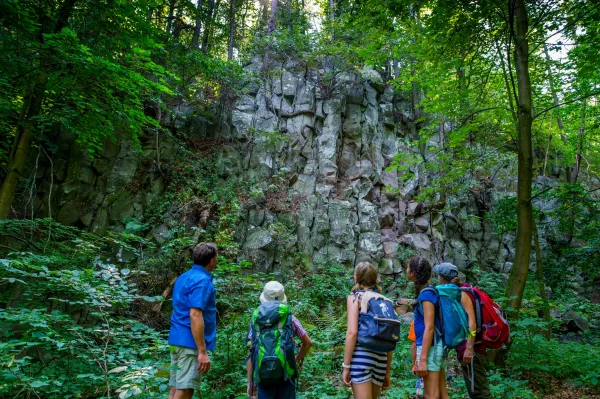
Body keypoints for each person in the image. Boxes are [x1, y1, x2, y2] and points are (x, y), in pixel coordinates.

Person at [433, 263, 491, 399]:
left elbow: (472, 324)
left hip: (472, 349)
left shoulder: (461, 294)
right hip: (468, 349)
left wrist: (469, 348)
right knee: (475, 391)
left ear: (442, 278)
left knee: (481, 392)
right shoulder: (456, 292)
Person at [167, 243, 218, 399]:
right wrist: (202, 351)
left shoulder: (182, 277)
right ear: (211, 261)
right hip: (189, 343)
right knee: (186, 388)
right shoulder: (202, 281)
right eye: (216, 258)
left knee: (175, 387)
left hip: (176, 339)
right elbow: (195, 314)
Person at [246, 281, 313, 399]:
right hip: (286, 373)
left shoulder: (256, 319)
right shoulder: (290, 318)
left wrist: (250, 383)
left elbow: (251, 351)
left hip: (263, 374)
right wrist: (296, 360)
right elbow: (308, 343)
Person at [342, 262, 393, 399]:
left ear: (356, 278)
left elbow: (352, 333)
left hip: (361, 357)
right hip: (381, 359)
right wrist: (387, 371)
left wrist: (346, 366)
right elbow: (389, 337)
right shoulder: (385, 301)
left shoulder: (355, 298)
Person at [406, 256, 449, 399]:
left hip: (430, 348)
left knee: (431, 394)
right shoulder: (428, 291)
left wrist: (422, 359)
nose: (406, 270)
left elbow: (429, 327)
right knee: (441, 393)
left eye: (408, 267)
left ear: (413, 273)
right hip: (433, 347)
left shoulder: (427, 294)